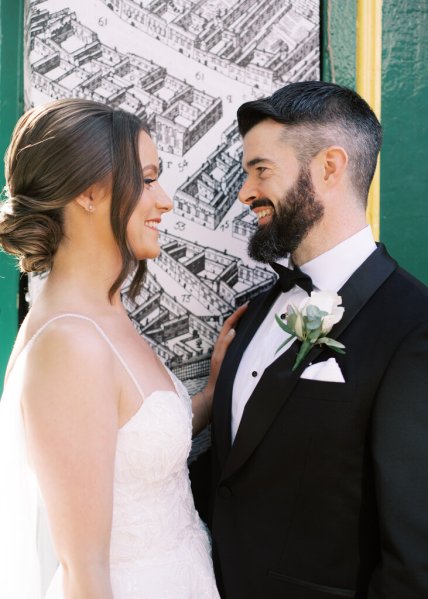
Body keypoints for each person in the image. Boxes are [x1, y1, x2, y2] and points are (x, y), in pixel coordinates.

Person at [0, 98, 245, 599]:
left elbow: (129, 444)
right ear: (90, 192)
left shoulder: (105, 313)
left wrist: (214, 392)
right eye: (149, 179)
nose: (166, 200)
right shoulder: (71, 344)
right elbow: (82, 570)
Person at [210, 81, 428, 599]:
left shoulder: (414, 328)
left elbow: (415, 558)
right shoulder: (256, 311)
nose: (245, 193)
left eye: (261, 170)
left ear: (329, 167)